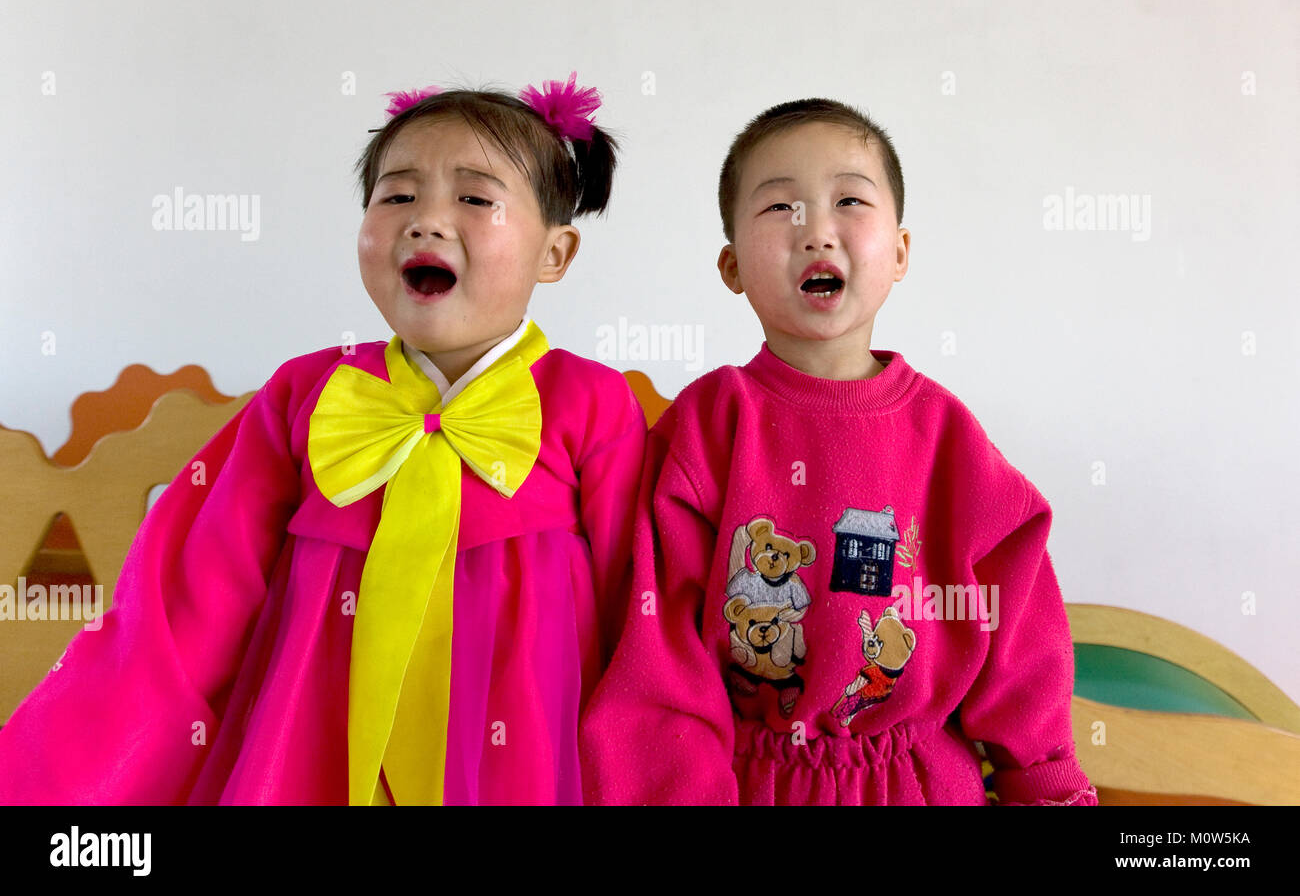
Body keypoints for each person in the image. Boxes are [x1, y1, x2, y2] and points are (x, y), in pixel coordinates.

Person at [0, 75, 646, 805]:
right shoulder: (307, 394)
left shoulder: (590, 402)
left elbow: (641, 615)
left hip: (522, 753)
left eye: (474, 197)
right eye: (397, 195)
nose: (426, 221)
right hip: (310, 752)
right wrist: (63, 768)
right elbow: (196, 598)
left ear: (554, 254)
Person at [579, 98, 1097, 805]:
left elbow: (1019, 623)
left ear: (901, 252)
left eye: (848, 199)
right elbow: (658, 653)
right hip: (746, 780)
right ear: (731, 266)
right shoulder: (710, 424)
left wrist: (1042, 777)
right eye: (779, 208)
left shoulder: (948, 436)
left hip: (922, 784)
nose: (815, 230)